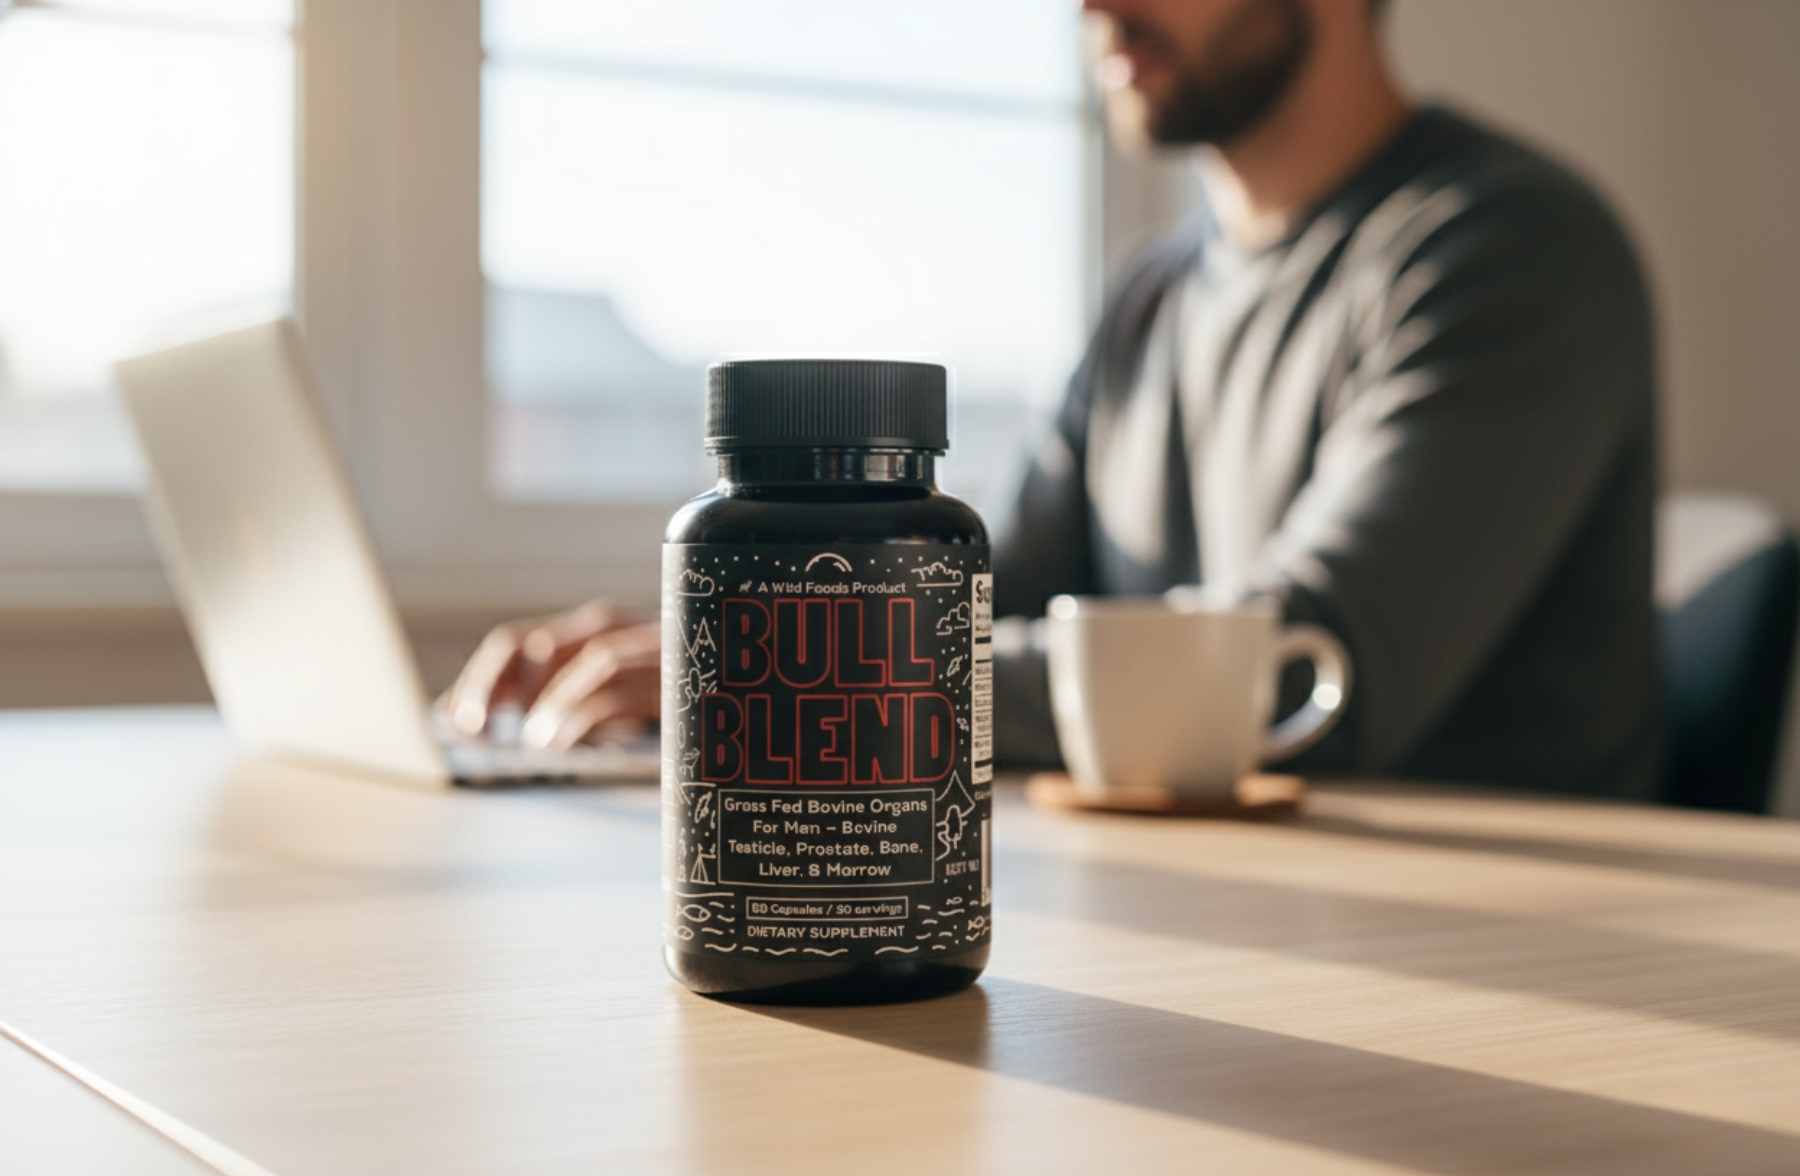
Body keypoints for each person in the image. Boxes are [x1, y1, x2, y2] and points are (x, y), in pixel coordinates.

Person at [447, 0, 1661, 798]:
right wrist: (729, 634)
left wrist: (770, 672)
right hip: (1209, 909)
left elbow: (1304, 677)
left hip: (1481, 947)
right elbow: (979, 601)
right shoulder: (1153, 291)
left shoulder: (1505, 246)